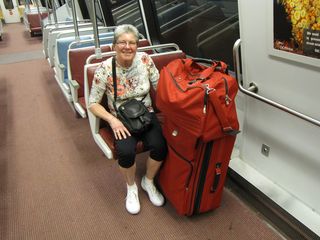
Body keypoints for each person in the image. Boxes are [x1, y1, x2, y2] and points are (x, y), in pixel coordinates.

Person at [88, 24, 167, 215]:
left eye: (132, 43)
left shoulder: (146, 60)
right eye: (122, 42)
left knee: (160, 146)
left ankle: (147, 182)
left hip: (145, 113)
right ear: (114, 45)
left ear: (137, 46)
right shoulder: (104, 69)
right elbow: (92, 104)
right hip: (119, 118)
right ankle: (131, 187)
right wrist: (112, 120)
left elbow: (161, 86)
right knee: (125, 152)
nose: (127, 46)